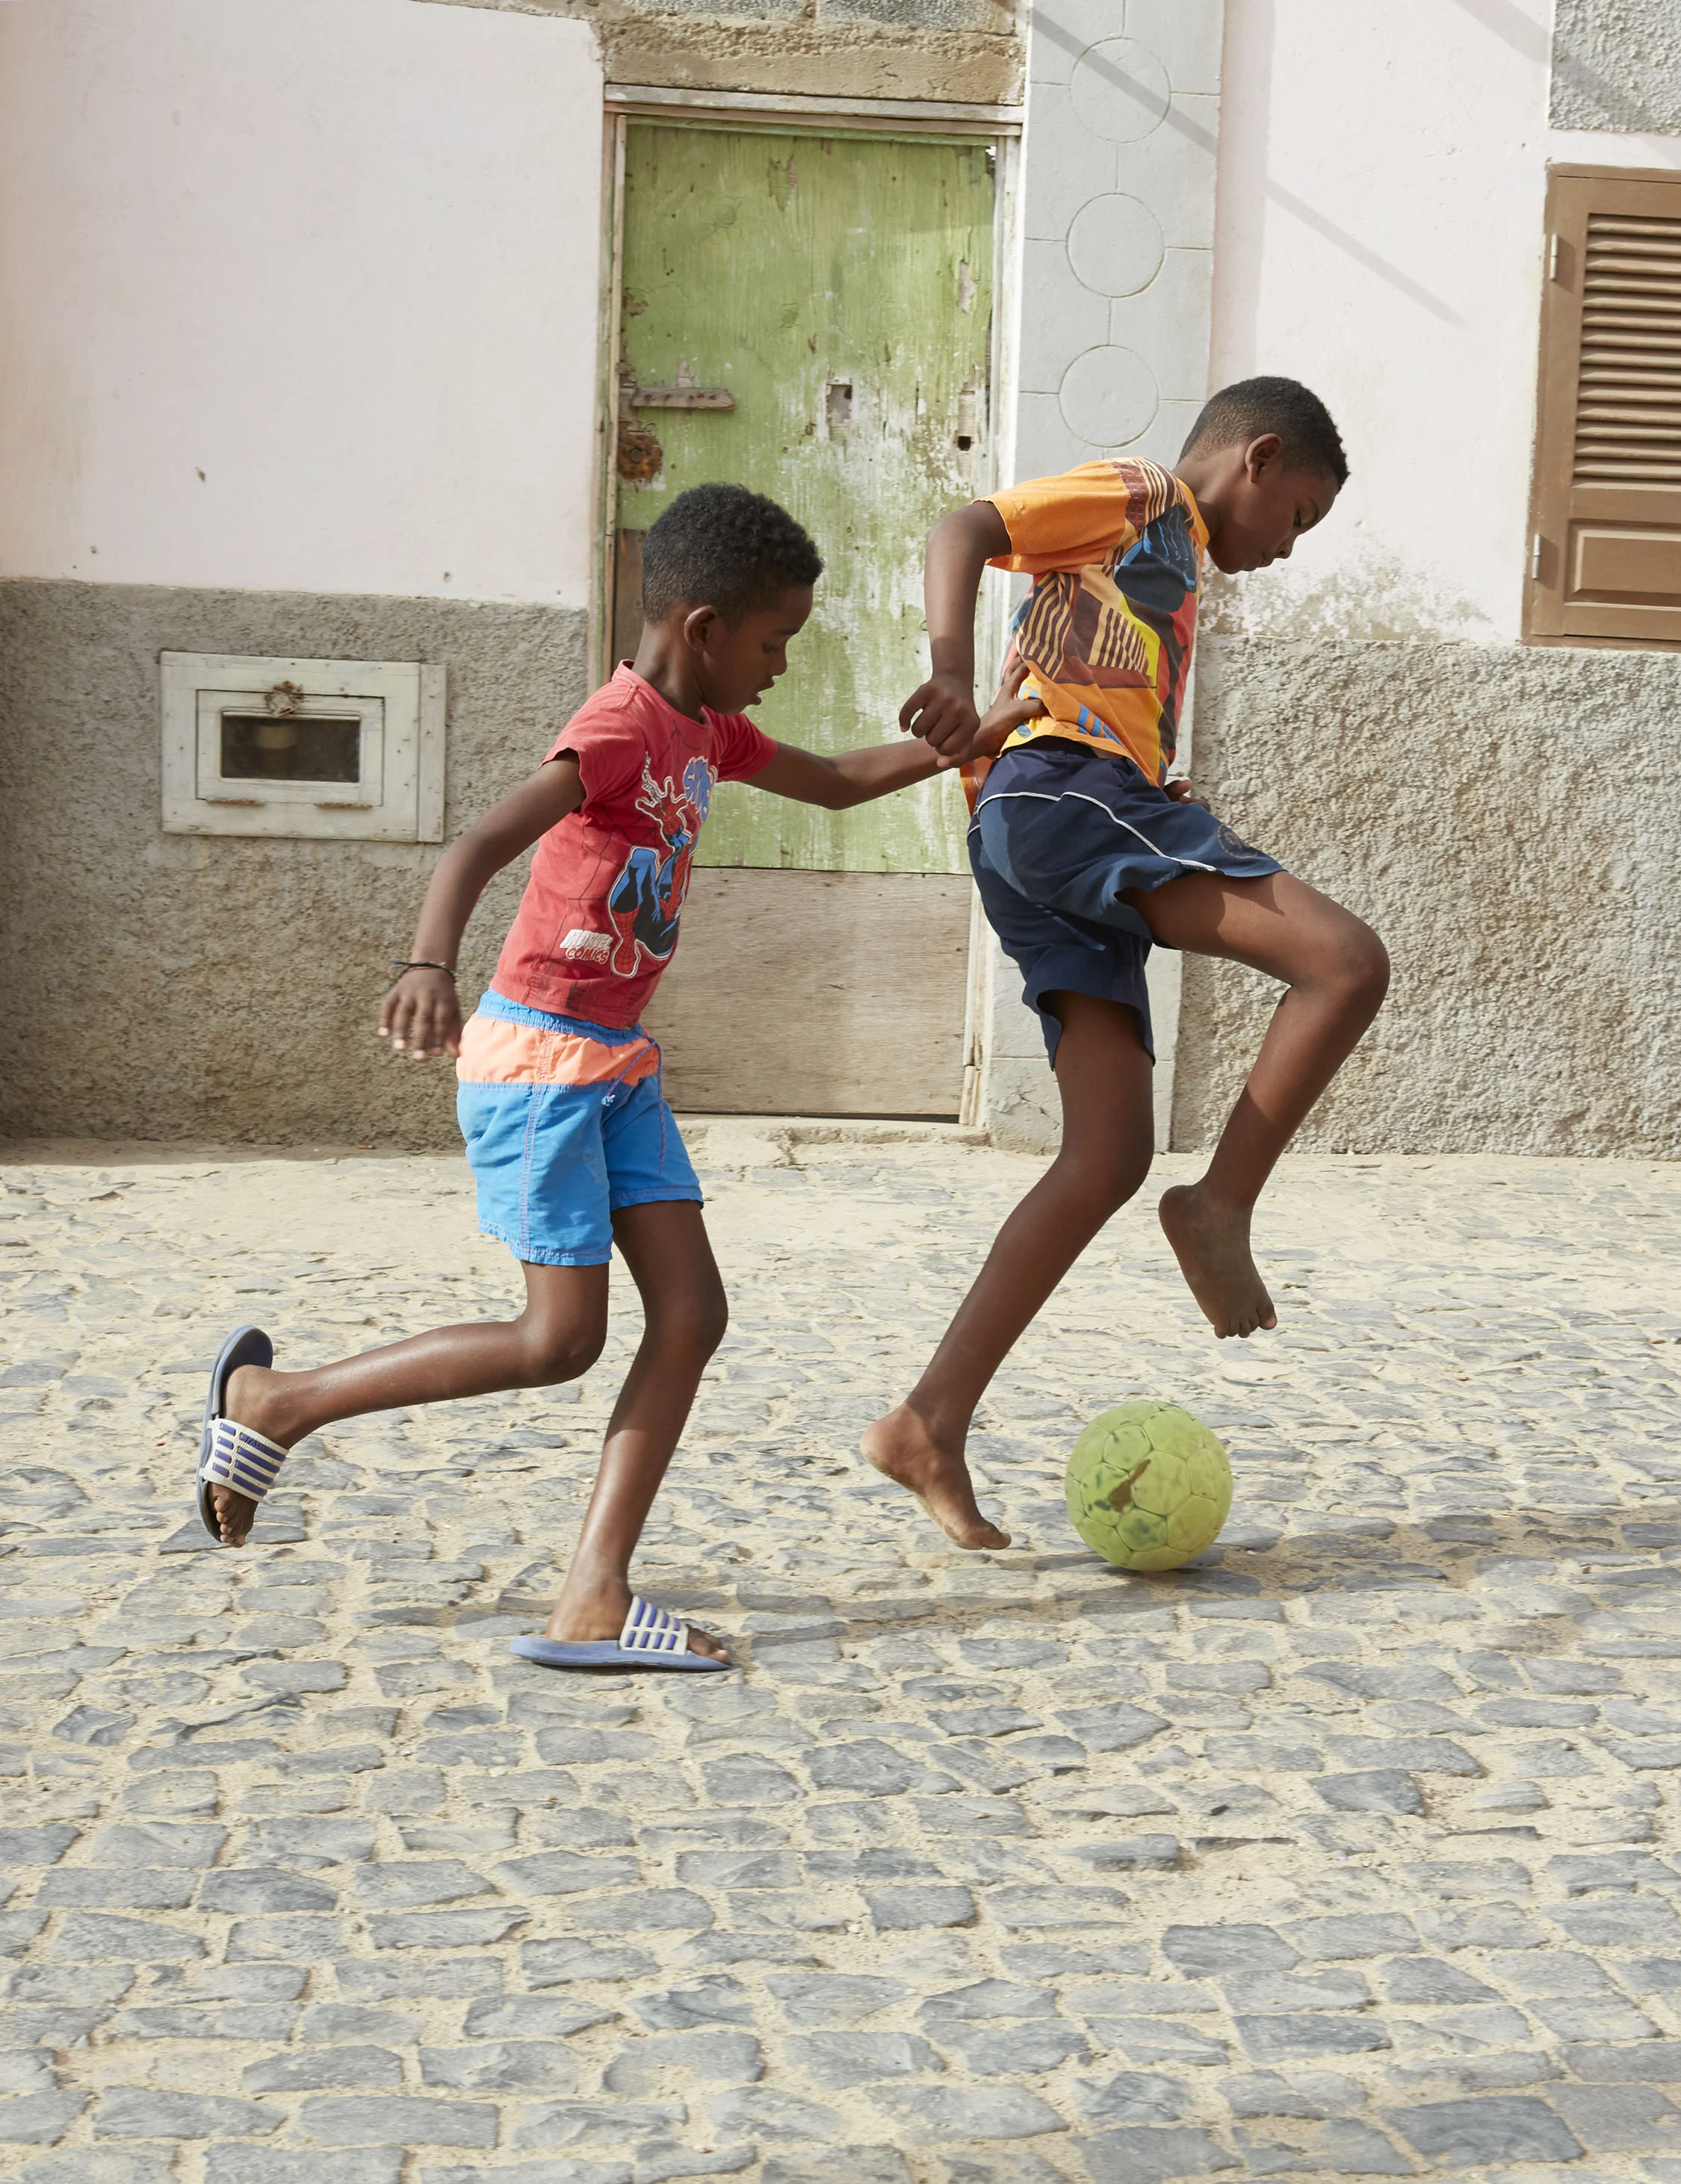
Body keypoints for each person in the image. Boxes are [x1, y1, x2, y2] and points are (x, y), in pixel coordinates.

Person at [195, 483, 981, 1670]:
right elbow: (477, 844)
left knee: (693, 1315)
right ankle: (277, 1404)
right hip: (535, 1069)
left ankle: (594, 1596)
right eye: (773, 643)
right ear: (704, 628)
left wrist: (980, 732)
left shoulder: (709, 732)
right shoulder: (617, 729)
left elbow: (834, 782)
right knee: (555, 1341)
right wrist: (427, 964)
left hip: (613, 1068)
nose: (778, 667)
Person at [864, 377, 1390, 1552]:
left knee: (1105, 1154)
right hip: (1062, 799)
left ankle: (926, 1421)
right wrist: (950, 675)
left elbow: (1085, 669)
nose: (1287, 548)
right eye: (1295, 516)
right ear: (1254, 459)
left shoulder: (1173, 560)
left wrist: (1147, 778)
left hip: (1057, 815)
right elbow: (966, 526)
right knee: (1345, 964)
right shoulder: (1139, 494)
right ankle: (1220, 1204)